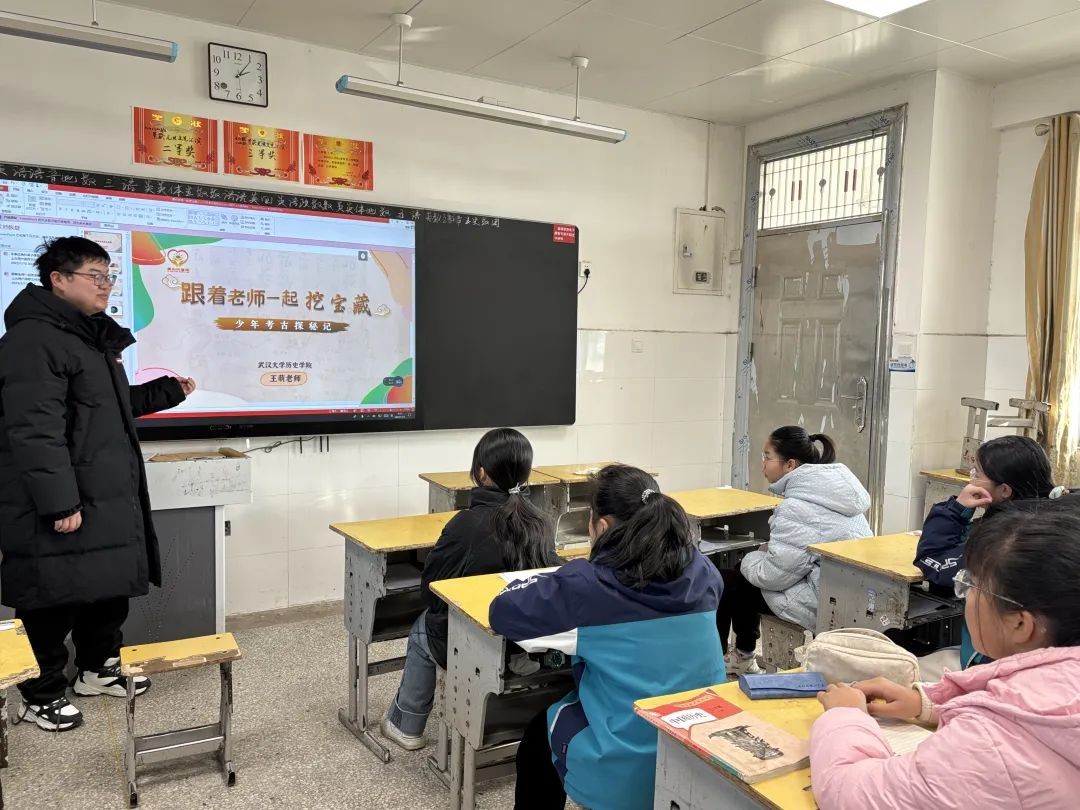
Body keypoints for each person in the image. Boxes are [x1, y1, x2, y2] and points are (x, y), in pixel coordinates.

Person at [0, 237, 195, 732]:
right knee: (53, 594)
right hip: (63, 498)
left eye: (109, 276)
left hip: (104, 494)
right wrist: (59, 502)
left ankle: (95, 668)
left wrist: (167, 393)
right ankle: (39, 691)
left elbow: (107, 407)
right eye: (95, 276)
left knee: (106, 587)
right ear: (58, 280)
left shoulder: (88, 339)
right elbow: (34, 429)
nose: (106, 285)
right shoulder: (32, 340)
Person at [810, 508, 1080, 809]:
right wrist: (927, 704)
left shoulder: (988, 745)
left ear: (1020, 624)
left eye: (972, 585)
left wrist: (846, 717)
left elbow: (848, 794)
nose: (966, 597)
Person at [491, 465, 725, 810]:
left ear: (601, 527)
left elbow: (503, 611)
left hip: (627, 769)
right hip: (702, 756)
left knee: (538, 739)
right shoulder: (703, 571)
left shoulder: (588, 586)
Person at [380, 427, 557, 751]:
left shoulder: (466, 523)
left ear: (481, 472)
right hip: (523, 641)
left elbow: (433, 590)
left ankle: (406, 725)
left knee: (423, 626)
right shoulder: (541, 522)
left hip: (477, 642)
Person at [718, 426, 871, 676]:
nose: (763, 463)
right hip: (850, 594)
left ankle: (726, 661)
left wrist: (750, 557)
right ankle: (743, 655)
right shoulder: (835, 494)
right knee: (743, 575)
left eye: (767, 456)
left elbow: (773, 576)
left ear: (790, 465)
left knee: (728, 581)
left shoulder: (798, 506)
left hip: (821, 602)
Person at [914, 434, 1064, 668]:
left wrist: (955, 510)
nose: (971, 480)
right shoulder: (1058, 518)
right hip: (1049, 657)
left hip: (995, 660)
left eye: (977, 474)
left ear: (1004, 490)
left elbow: (933, 561)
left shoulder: (1005, 538)